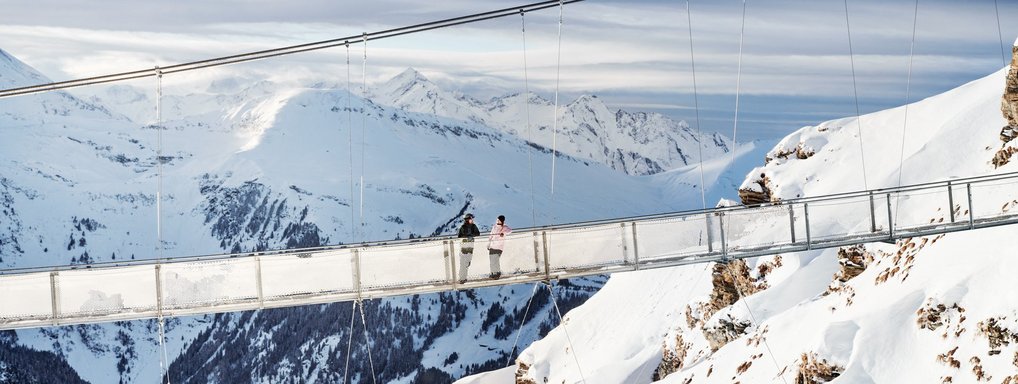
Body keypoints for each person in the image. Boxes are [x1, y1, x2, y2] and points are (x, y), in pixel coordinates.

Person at [486, 215, 512, 279]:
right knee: (492, 260)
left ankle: (497, 273)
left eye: (499, 220)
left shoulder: (504, 227)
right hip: (492, 246)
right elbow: (491, 235)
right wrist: (488, 244)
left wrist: (503, 233)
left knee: (496, 260)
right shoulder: (494, 227)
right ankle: (493, 273)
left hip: (499, 247)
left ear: (502, 221)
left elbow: (510, 231)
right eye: (497, 219)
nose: (497, 221)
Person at [457, 213, 480, 283]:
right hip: (464, 246)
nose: (471, 220)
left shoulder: (473, 226)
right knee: (464, 262)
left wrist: (471, 236)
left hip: (469, 246)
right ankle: (462, 278)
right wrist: (467, 237)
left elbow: (478, 234)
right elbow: (459, 236)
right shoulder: (463, 227)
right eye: (470, 219)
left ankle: (463, 277)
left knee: (466, 262)